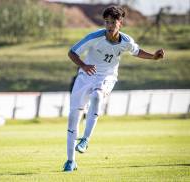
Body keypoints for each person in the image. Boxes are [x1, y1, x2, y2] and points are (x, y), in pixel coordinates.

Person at [63, 6, 165, 172]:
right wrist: (84, 65)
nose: (109, 25)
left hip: (106, 77)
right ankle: (70, 161)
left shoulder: (126, 41)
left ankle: (85, 140)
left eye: (113, 22)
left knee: (97, 96)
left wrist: (153, 57)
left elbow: (137, 51)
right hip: (85, 76)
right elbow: (72, 52)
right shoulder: (94, 37)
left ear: (121, 23)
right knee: (74, 117)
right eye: (106, 22)